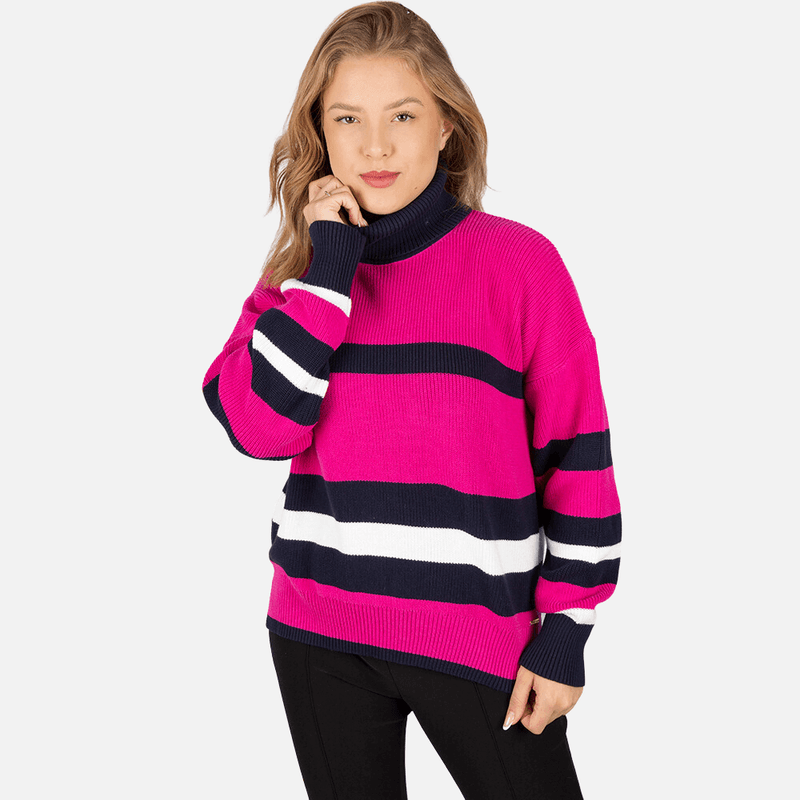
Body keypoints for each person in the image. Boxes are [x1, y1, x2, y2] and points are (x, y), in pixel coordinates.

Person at [201, 3, 621, 798]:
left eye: (402, 115)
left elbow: (577, 452)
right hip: (319, 629)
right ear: (321, 133)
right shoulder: (301, 276)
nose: (376, 146)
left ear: (446, 125)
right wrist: (328, 274)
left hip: (480, 637)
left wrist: (568, 629)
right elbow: (258, 430)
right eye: (347, 118)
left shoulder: (520, 266)